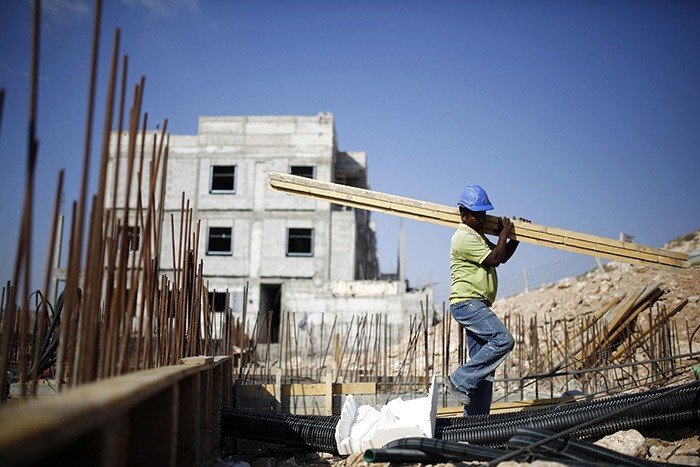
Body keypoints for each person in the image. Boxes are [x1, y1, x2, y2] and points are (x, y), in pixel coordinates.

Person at [444, 184, 523, 416]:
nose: (481, 219)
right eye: (476, 214)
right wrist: (505, 234)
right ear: (463, 215)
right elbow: (496, 258)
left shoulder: (475, 235)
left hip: (475, 303)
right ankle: (459, 380)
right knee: (503, 340)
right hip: (467, 303)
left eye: (483, 214)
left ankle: (476, 426)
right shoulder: (463, 237)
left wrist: (514, 239)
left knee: (484, 369)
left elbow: (503, 255)